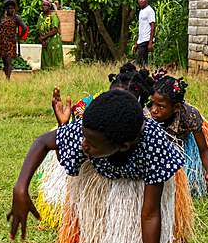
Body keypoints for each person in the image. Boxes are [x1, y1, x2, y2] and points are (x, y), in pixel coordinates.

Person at [8, 90, 194, 243]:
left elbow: (150, 214)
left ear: (123, 146)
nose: (83, 145)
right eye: (84, 138)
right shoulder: (89, 131)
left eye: (92, 144)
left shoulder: (154, 144)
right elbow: (43, 142)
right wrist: (20, 189)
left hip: (142, 184)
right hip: (104, 181)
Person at [32, 64, 155, 229]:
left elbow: (152, 213)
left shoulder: (151, 134)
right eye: (113, 97)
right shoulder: (94, 119)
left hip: (137, 197)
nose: (117, 106)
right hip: (102, 192)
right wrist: (63, 125)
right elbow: (66, 160)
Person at [148, 71, 208, 196]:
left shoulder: (189, 115)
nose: (153, 110)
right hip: (161, 146)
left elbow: (203, 150)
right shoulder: (146, 114)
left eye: (160, 106)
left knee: (193, 187)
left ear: (176, 107)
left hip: (184, 144)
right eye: (151, 104)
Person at [0, 0, 28, 80]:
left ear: (14, 9)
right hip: (3, 41)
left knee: (8, 60)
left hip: (10, 41)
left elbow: (24, 28)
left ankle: (8, 77)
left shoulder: (16, 17)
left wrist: (18, 38)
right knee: (4, 61)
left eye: (11, 8)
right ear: (6, 9)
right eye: (8, 8)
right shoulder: (4, 17)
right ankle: (6, 75)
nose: (10, 10)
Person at [38, 0, 63, 71]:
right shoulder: (41, 16)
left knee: (55, 58)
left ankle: (57, 76)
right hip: (45, 42)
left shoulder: (53, 16)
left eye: (47, 5)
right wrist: (42, 40)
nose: (45, 7)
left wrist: (43, 38)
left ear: (50, 7)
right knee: (46, 59)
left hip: (54, 41)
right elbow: (39, 28)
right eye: (44, 5)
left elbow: (54, 30)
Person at [133, 0, 156, 68]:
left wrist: (150, 42)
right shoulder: (141, 11)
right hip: (141, 40)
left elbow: (153, 26)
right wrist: (136, 43)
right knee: (143, 64)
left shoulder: (149, 10)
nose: (140, 1)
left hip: (146, 40)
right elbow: (141, 28)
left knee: (139, 63)